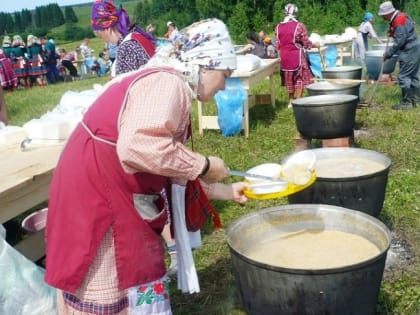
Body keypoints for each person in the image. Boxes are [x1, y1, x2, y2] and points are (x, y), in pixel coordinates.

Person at [44, 18, 246, 314]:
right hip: (101, 198)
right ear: (205, 64)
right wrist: (203, 164)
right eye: (225, 73)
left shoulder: (165, 80)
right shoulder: (168, 83)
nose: (225, 84)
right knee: (113, 277)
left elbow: (165, 164)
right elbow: (138, 147)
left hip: (101, 184)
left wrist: (226, 192)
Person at [276, 3, 320, 150]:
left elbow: (278, 44)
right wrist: (315, 45)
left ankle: (290, 101)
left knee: (289, 78)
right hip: (296, 55)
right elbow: (306, 42)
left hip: (285, 56)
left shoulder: (278, 27)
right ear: (296, 13)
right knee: (300, 78)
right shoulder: (299, 26)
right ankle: (299, 102)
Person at [91, 0, 155, 77]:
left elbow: (132, 84)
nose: (102, 38)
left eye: (99, 33)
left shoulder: (126, 48)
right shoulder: (136, 36)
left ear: (107, 28)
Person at [378, 1, 420, 110]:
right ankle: (416, 100)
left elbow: (400, 41)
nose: (383, 18)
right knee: (413, 75)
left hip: (409, 50)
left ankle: (407, 103)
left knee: (404, 76)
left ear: (388, 13)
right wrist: (393, 32)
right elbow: (404, 32)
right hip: (414, 48)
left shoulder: (399, 20)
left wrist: (388, 54)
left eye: (383, 16)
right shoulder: (401, 16)